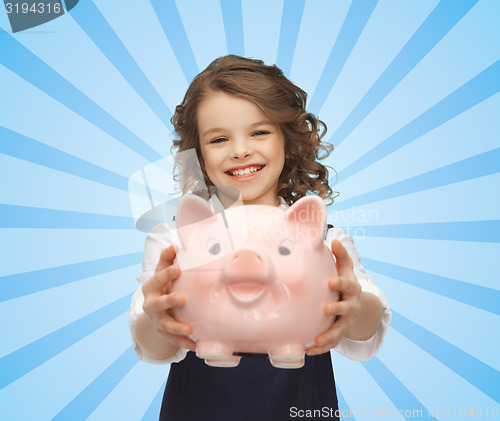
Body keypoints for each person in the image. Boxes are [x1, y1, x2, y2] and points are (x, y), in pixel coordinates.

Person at [129, 55, 391, 420]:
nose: (240, 149)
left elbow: (365, 331)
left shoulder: (324, 239)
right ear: (199, 155)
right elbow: (152, 346)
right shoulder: (177, 237)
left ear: (288, 139)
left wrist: (354, 306)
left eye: (259, 132)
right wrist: (157, 318)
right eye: (219, 138)